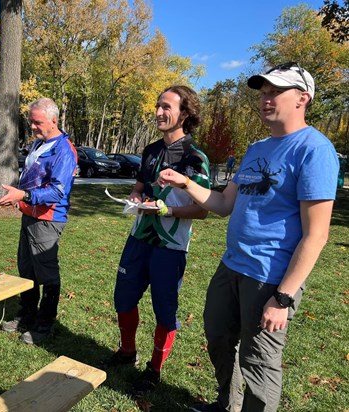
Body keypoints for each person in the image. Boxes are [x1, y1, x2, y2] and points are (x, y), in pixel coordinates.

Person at [156, 63, 339, 411]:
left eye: (275, 91)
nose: (266, 99)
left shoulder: (314, 150)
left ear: (303, 98)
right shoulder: (257, 148)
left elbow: (316, 235)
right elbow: (224, 204)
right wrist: (186, 183)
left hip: (270, 278)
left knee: (259, 364)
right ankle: (227, 404)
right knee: (219, 339)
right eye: (264, 92)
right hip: (232, 266)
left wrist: (282, 298)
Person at [105, 85, 210, 398]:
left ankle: (154, 370)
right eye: (157, 105)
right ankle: (127, 352)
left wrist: (169, 209)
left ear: (185, 114)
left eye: (167, 106)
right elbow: (139, 186)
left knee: (165, 311)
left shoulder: (195, 158)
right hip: (138, 238)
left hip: (170, 248)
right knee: (123, 299)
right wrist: (136, 197)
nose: (159, 112)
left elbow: (203, 211)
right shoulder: (151, 150)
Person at [0, 97, 77, 345]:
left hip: (48, 220)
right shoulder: (38, 144)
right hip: (29, 215)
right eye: (30, 122)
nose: (32, 127)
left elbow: (57, 191)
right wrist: (18, 197)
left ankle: (45, 322)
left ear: (54, 120)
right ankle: (27, 314)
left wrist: (25, 195)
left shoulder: (64, 150)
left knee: (47, 273)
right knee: (26, 269)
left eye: (37, 122)